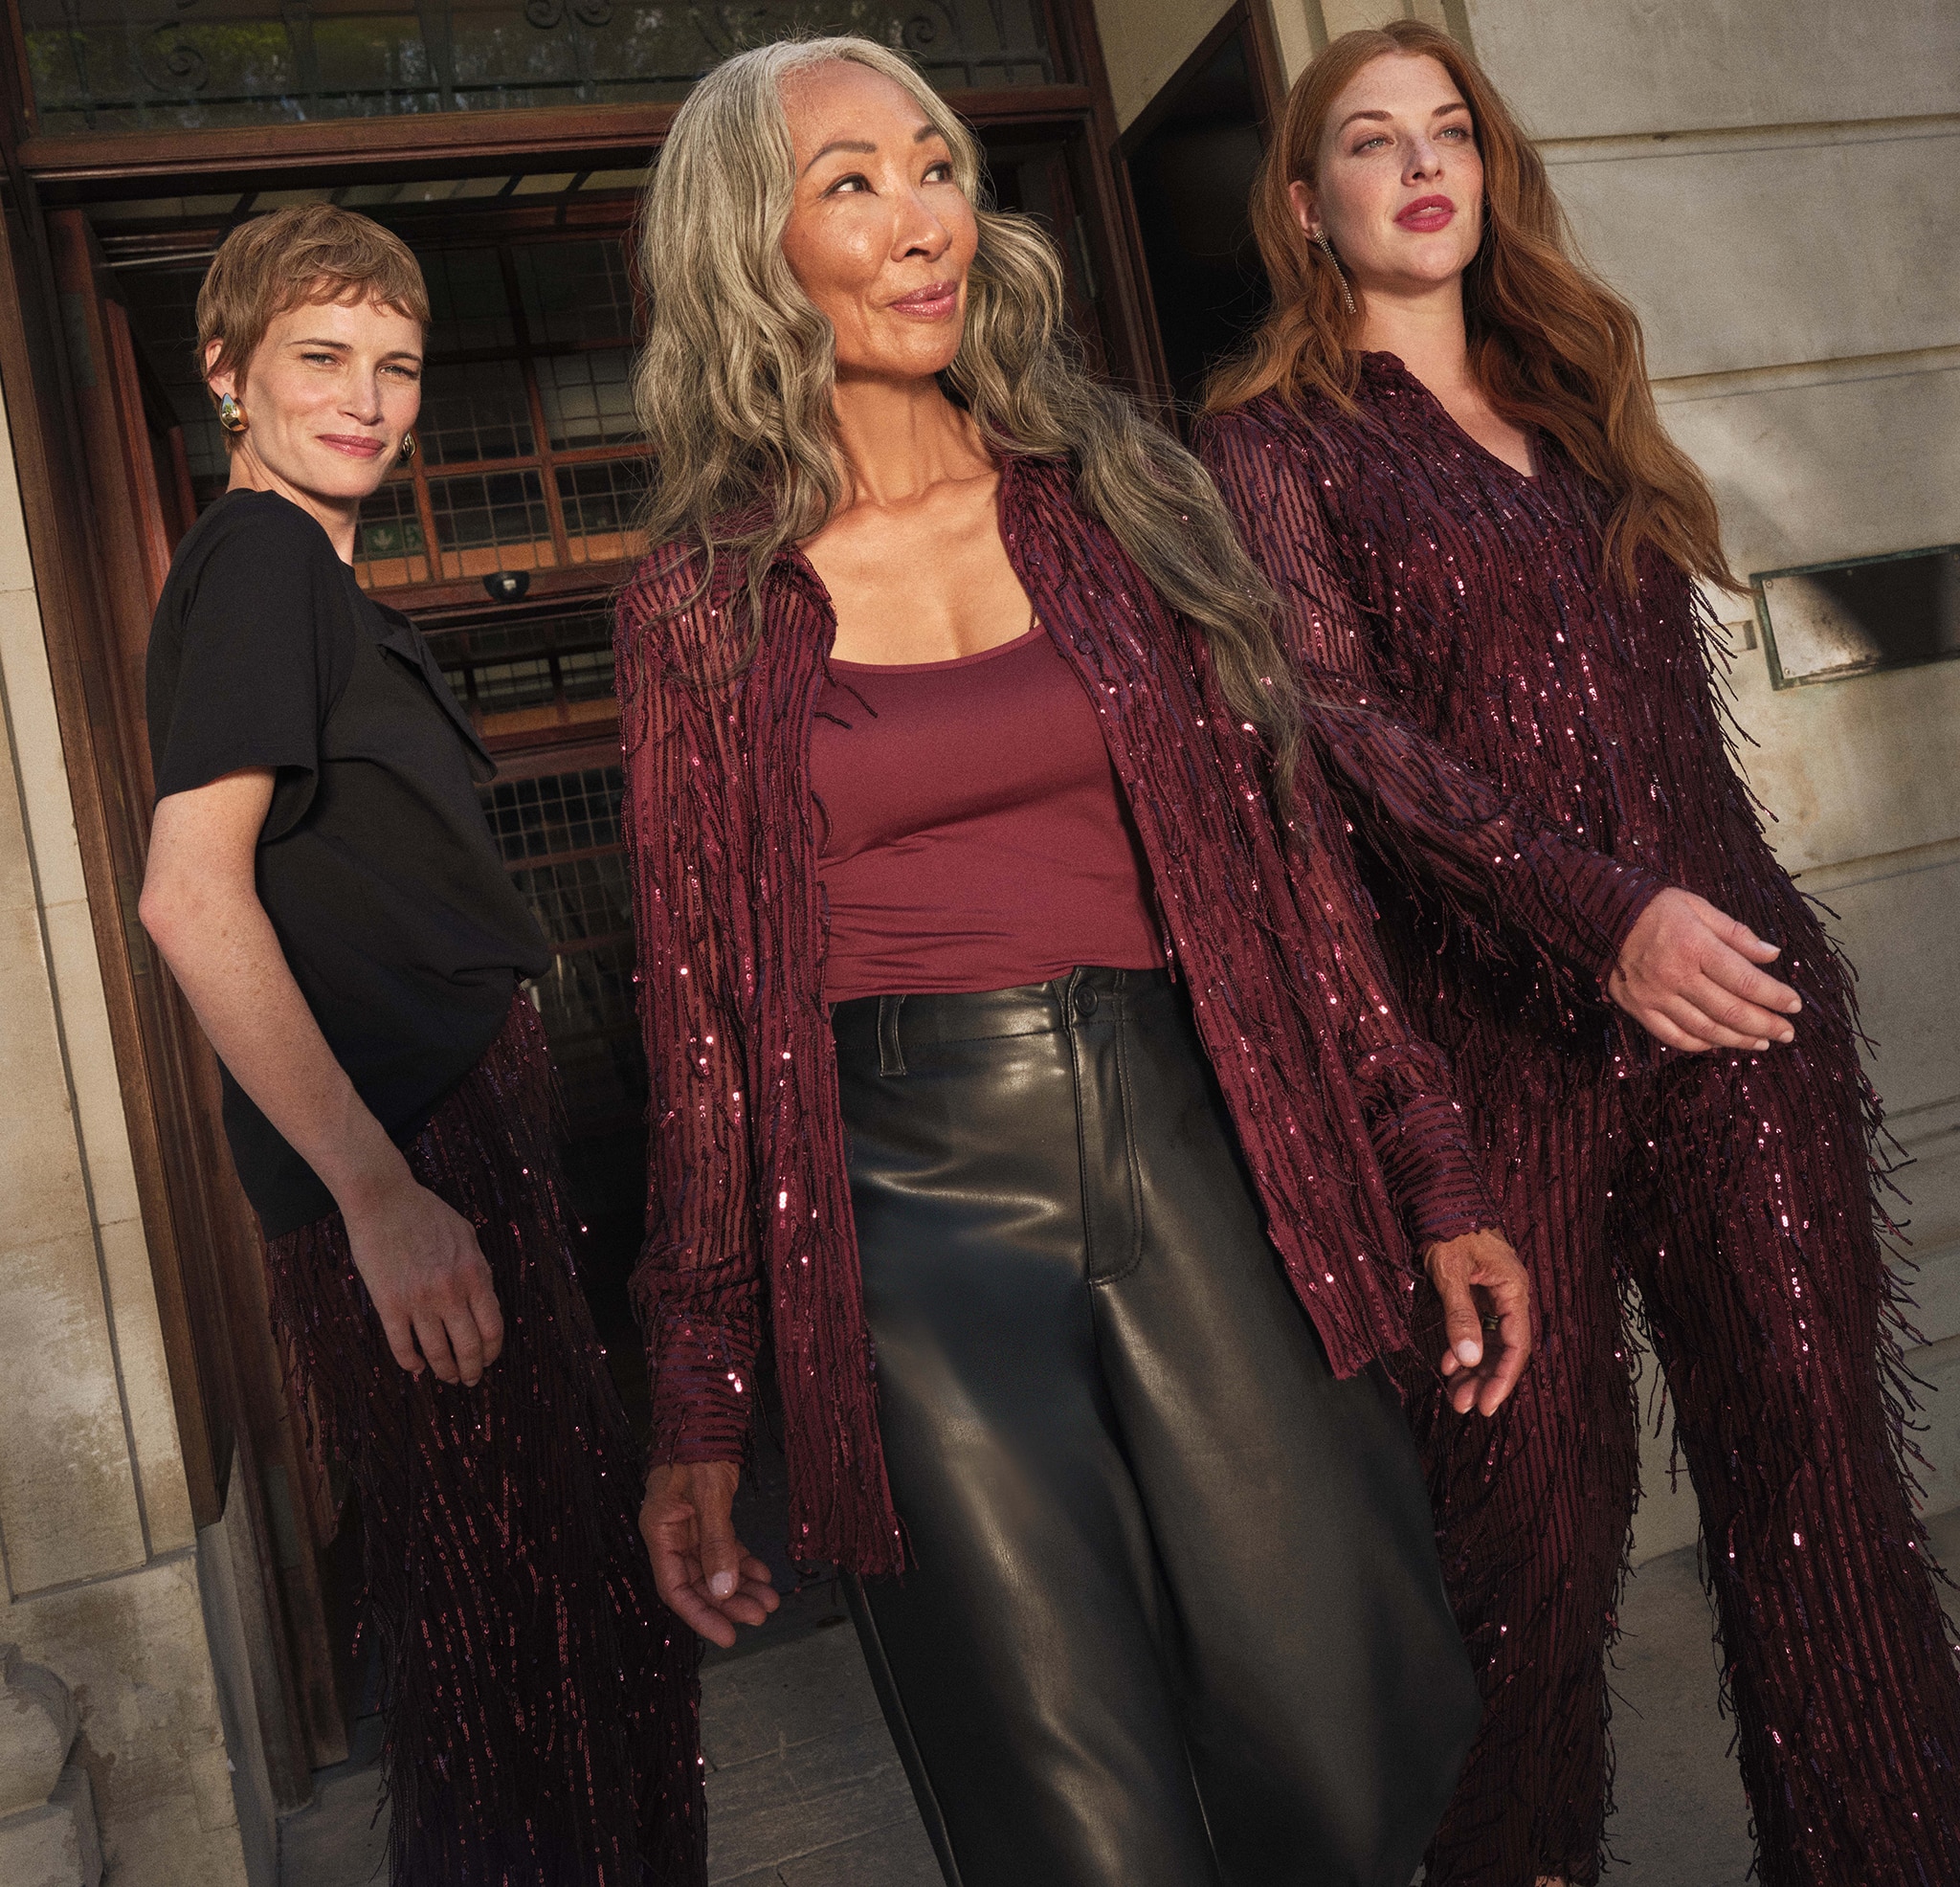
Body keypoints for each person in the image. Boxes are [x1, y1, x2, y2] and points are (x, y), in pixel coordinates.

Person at [616, 34, 1534, 1887]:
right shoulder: (701, 601)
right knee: (1075, 1820)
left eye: (935, 164)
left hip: (1203, 1136)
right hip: (907, 1215)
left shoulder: (1121, 487)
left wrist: (1427, 1161)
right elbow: (704, 1024)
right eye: (851, 182)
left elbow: (1294, 880)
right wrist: (701, 1392)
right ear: (750, 248)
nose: (919, 218)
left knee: (1346, 1736)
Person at [1196, 22, 1960, 1887]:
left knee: (1817, 1493)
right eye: (1369, 140)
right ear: (1304, 203)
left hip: (1741, 1006)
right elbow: (1335, 727)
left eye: (1447, 128)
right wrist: (1589, 911)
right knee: (1528, 1536)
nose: (1420, 163)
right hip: (1491, 1050)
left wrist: (1686, 916)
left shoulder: (1569, 387)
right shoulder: (1266, 447)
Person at [139, 204, 703, 1885]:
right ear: (227, 374)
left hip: (455, 1151)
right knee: (527, 1655)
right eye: (321, 360)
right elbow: (189, 899)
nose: (367, 399)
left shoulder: (306, 576)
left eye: (394, 366)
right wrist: (383, 1196)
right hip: (414, 1169)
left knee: (531, 1648)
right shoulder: (255, 563)